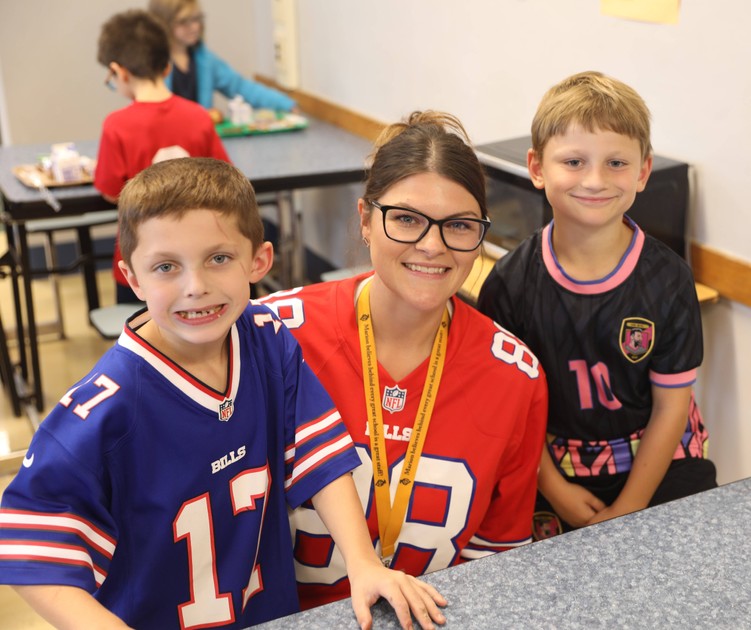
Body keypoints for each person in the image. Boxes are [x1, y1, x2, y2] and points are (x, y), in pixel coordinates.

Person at [0, 158, 446, 630]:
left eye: (219, 259)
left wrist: (363, 562)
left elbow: (320, 461)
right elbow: (28, 547)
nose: (196, 287)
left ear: (258, 261)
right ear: (131, 278)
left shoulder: (266, 337)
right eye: (166, 267)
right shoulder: (106, 408)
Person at [260, 111, 548, 609]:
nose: (432, 246)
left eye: (458, 225)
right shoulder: (274, 335)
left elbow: (499, 558)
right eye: (408, 219)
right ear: (366, 220)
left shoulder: (515, 376)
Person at [477, 71, 717, 538]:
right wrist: (555, 486)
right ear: (537, 167)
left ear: (643, 172)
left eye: (615, 163)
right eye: (573, 161)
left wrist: (629, 507)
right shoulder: (510, 284)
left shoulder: (669, 280)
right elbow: (508, 408)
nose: (594, 180)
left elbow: (672, 409)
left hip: (659, 460)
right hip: (551, 467)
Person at [95, 8, 230, 304]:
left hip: (144, 260)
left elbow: (109, 190)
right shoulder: (199, 117)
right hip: (201, 254)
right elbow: (224, 180)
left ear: (119, 72)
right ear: (167, 68)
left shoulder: (117, 125)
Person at [147, 0, 296, 117]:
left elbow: (240, 87)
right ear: (163, 23)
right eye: (184, 21)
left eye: (197, 19)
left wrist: (286, 104)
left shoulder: (206, 60)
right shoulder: (151, 65)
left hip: (198, 145)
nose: (195, 27)